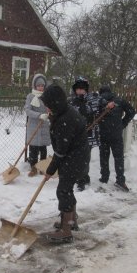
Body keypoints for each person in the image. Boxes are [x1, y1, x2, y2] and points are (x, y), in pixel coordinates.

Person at [40, 84, 90, 243]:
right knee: (67, 190)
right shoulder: (63, 113)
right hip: (76, 158)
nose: (46, 107)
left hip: (74, 160)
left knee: (63, 191)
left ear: (55, 103)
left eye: (48, 104)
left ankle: (66, 231)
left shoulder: (65, 119)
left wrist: (50, 169)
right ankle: (70, 221)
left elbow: (61, 150)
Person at [70, 77, 106, 191]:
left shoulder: (93, 99)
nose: (80, 91)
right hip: (75, 134)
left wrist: (109, 105)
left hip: (88, 134)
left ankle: (82, 180)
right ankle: (83, 177)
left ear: (86, 90)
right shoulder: (71, 101)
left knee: (84, 158)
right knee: (77, 158)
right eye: (78, 89)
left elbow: (103, 106)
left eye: (82, 89)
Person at [98, 85, 135, 192]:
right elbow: (132, 112)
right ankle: (120, 180)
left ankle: (104, 178)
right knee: (118, 157)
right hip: (116, 134)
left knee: (104, 157)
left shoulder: (100, 102)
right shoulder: (120, 100)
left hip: (103, 134)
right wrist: (122, 123)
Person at [24, 73, 51, 177]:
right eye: (38, 85)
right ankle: (33, 168)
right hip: (33, 126)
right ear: (34, 86)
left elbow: (50, 108)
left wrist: (49, 111)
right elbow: (27, 110)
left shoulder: (47, 96)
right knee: (33, 149)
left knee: (43, 149)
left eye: (42, 86)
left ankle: (42, 167)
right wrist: (39, 115)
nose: (40, 88)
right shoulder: (30, 97)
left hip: (44, 126)